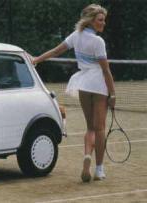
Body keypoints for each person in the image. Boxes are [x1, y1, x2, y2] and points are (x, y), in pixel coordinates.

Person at [31, 4, 115, 182]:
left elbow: (56, 51)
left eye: (104, 20)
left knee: (90, 127)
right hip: (98, 85)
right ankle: (99, 169)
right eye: (100, 20)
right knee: (100, 129)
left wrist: (36, 60)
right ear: (91, 21)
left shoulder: (76, 36)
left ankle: (87, 156)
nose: (104, 23)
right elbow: (106, 71)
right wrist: (113, 94)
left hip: (83, 84)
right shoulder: (98, 42)